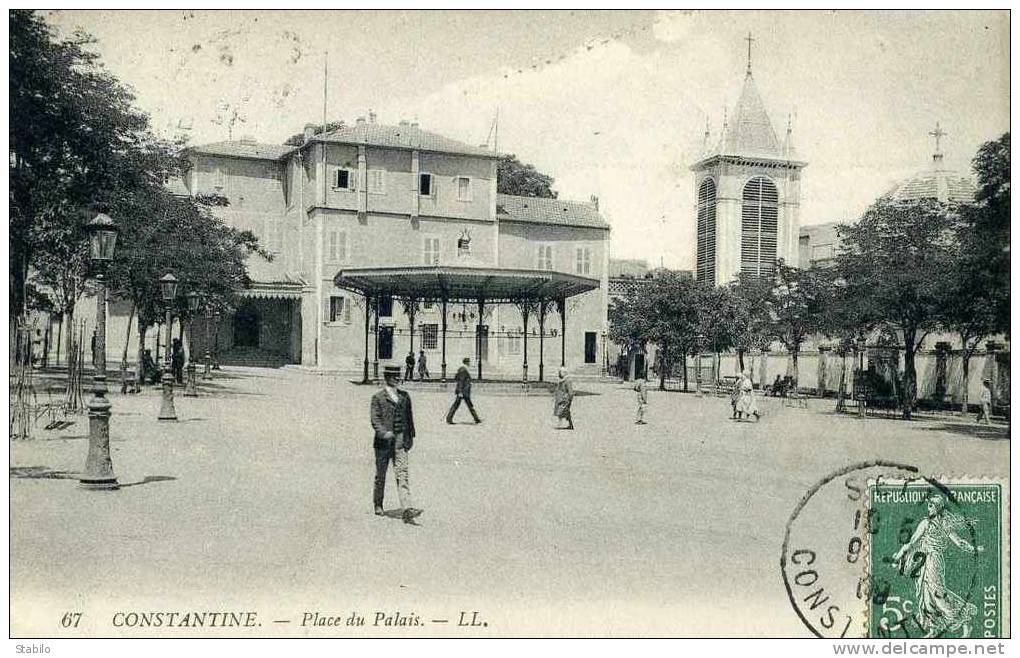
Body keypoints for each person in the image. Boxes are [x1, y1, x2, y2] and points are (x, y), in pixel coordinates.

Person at [891, 494, 982, 637]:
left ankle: (962, 623)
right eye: (928, 505)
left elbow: (959, 542)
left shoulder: (939, 525)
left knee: (937, 594)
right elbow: (912, 542)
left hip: (934, 561)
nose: (929, 508)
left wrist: (974, 549)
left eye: (931, 505)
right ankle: (933, 628)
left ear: (938, 507)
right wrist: (899, 554)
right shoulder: (927, 523)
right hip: (924, 562)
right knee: (926, 595)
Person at [370, 365, 422, 524]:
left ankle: (406, 508)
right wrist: (383, 432)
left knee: (402, 473)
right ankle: (378, 504)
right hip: (383, 443)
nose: (398, 379)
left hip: (400, 440)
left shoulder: (405, 397)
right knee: (381, 475)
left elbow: (409, 418)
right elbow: (375, 419)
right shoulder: (378, 397)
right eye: (394, 376)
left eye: (398, 376)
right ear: (387, 378)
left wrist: (410, 436)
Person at [446, 357, 481, 424]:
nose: (469, 363)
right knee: (458, 405)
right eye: (469, 362)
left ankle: (476, 419)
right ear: (466, 363)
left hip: (464, 391)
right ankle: (449, 418)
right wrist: (460, 391)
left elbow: (456, 378)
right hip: (463, 391)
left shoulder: (462, 369)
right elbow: (461, 381)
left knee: (469, 405)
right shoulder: (463, 370)